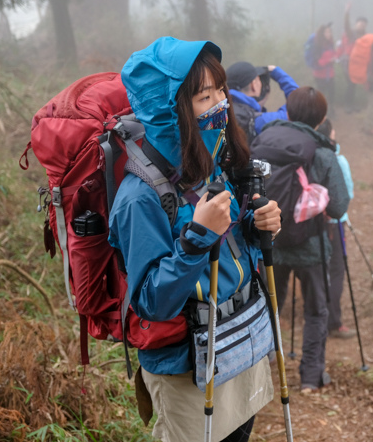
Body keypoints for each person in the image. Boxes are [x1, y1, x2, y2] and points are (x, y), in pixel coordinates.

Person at [109, 37, 282, 442]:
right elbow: (151, 302)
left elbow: (233, 250)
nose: (221, 102)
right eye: (205, 96)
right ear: (172, 109)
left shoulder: (209, 161)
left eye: (220, 89)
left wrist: (256, 229)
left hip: (236, 340)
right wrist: (196, 238)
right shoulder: (139, 197)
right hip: (187, 366)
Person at [251, 87, 350, 393]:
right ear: (321, 120)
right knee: (316, 310)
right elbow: (339, 206)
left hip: (270, 243)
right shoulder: (322, 154)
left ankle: (260, 369)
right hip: (311, 246)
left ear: (288, 113)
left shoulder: (263, 143)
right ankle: (310, 377)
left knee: (269, 306)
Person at [315, 118, 355, 339]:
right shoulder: (338, 160)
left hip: (313, 222)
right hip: (335, 223)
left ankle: (318, 313)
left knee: (319, 268)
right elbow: (347, 194)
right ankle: (334, 321)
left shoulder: (307, 156)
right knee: (337, 270)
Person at [226, 61, 299, 143]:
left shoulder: (223, 110)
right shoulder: (257, 120)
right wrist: (276, 72)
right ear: (254, 85)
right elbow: (299, 105)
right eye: (258, 80)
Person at [338, 3, 368, 113]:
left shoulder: (364, 36)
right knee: (351, 83)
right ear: (356, 24)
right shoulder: (351, 33)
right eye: (360, 24)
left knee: (353, 84)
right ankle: (348, 106)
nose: (362, 26)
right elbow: (346, 25)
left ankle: (350, 105)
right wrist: (346, 12)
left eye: (364, 24)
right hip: (347, 62)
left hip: (356, 63)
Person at [310, 23, 339, 116]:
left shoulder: (330, 44)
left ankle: (330, 111)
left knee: (332, 93)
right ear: (322, 33)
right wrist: (328, 60)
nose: (329, 34)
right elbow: (317, 61)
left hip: (330, 74)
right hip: (320, 75)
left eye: (330, 32)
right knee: (321, 94)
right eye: (327, 32)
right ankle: (319, 111)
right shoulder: (317, 45)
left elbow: (333, 54)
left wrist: (335, 57)